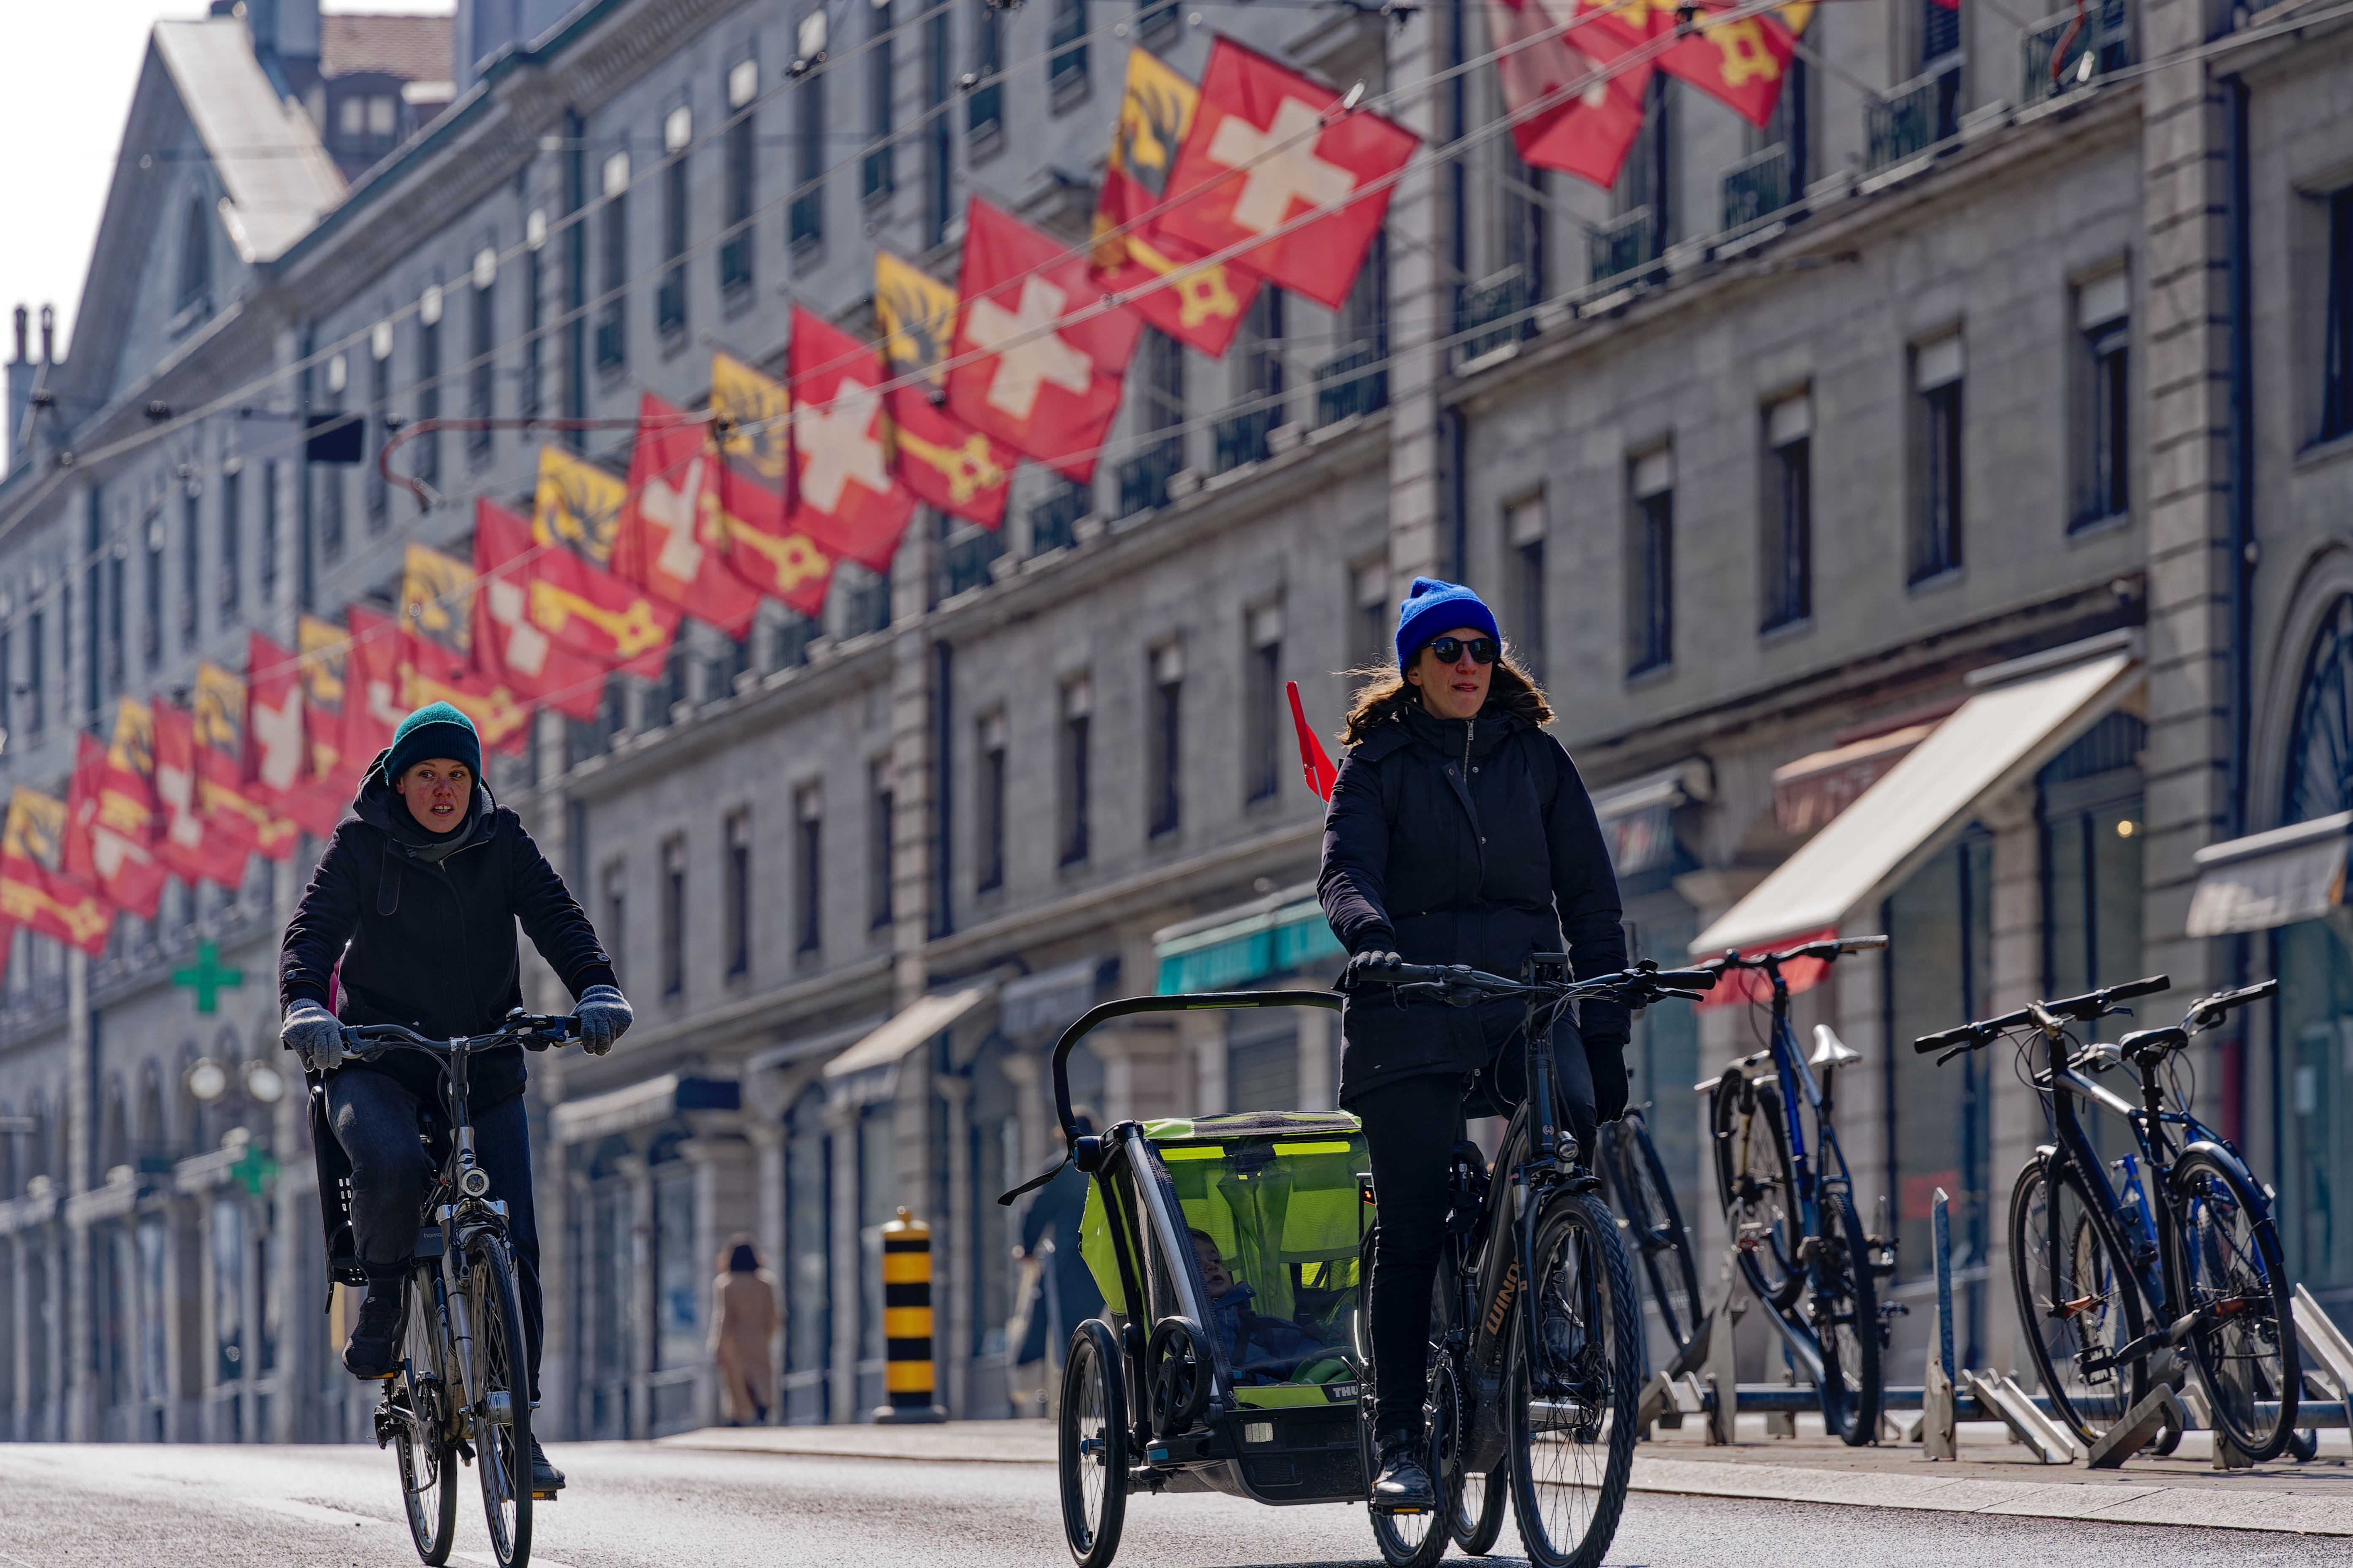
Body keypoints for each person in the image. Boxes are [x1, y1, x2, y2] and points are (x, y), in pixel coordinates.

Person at [1317, 578, 1628, 1508]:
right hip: (1407, 1003)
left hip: (1518, 1003)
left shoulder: (1537, 760)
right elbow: (1344, 868)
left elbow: (1593, 898)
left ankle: (1548, 1278)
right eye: (1447, 650)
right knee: (1411, 1229)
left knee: (1574, 1121)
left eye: (1481, 650)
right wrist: (1368, 932)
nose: (1467, 665)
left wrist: (1604, 1027)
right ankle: (1405, 1439)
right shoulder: (1377, 764)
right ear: (1413, 666)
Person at [279, 702, 634, 1497]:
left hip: (484, 1064)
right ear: (398, 781)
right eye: (427, 775)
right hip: (377, 1060)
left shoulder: (503, 841)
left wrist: (598, 988)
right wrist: (305, 1005)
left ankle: (521, 1430)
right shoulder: (360, 845)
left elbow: (558, 919)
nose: (444, 790)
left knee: (518, 1245)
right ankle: (382, 1303)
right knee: (394, 1164)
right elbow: (313, 930)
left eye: (458, 776)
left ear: (475, 782)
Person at [1187, 1229, 1331, 1384]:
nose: (1212, 1266)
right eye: (1196, 1262)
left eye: (1215, 1260)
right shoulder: (1173, 1338)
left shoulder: (1264, 1327)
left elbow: (1315, 1359)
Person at [710, 1235, 781, 1426]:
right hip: (759, 1338)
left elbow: (723, 1318)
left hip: (735, 1342)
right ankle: (763, 1408)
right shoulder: (765, 1282)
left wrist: (718, 1347)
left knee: (738, 1381)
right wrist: (768, 1335)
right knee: (762, 1376)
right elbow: (774, 1315)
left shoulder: (726, 1284)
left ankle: (740, 1417)